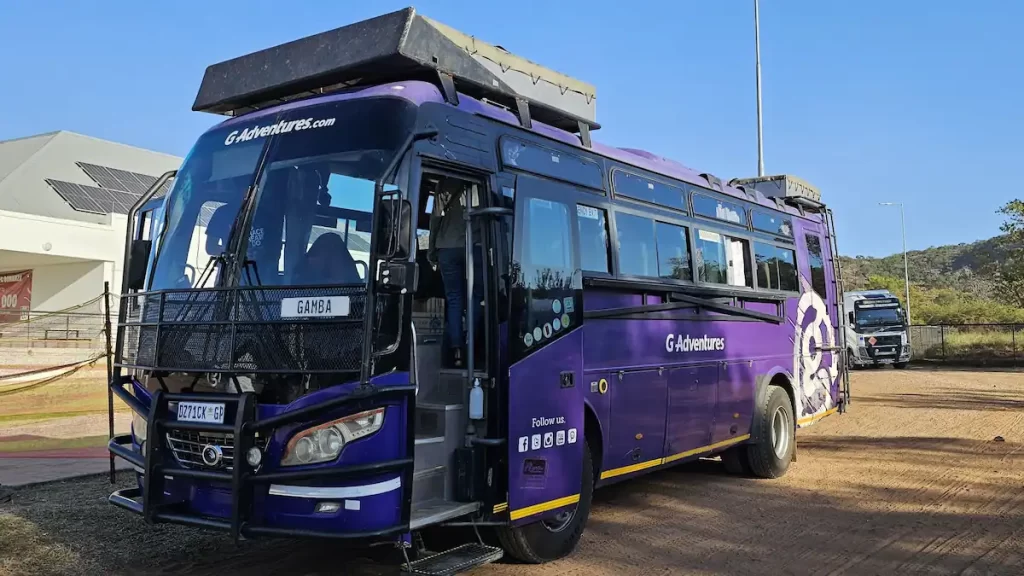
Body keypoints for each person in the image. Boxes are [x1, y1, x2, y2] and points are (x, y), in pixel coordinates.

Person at [427, 180, 483, 368]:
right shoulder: (481, 184)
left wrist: (432, 250)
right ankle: (472, 345)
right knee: (475, 297)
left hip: (447, 246)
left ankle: (456, 350)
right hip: (474, 244)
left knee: (454, 299)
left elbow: (436, 218)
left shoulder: (444, 183)